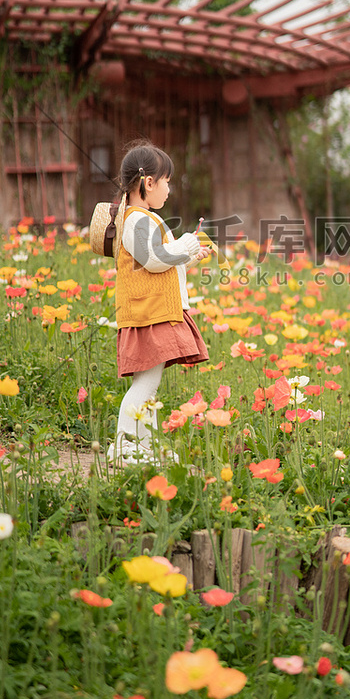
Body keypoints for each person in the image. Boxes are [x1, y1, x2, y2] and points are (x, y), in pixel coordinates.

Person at [108, 144, 209, 463]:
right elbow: (154, 260)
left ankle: (144, 447)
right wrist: (188, 242)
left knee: (148, 385)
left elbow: (161, 266)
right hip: (147, 315)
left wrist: (190, 255)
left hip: (154, 311)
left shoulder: (143, 219)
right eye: (166, 181)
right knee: (145, 385)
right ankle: (125, 446)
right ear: (148, 183)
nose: (169, 188)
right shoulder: (138, 220)